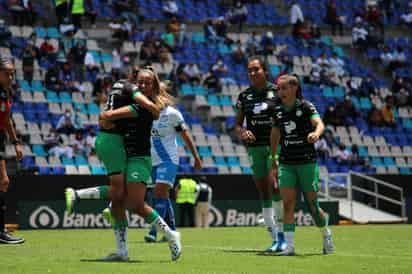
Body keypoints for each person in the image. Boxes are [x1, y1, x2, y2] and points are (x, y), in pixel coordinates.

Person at [66, 67, 181, 261]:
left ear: (154, 86)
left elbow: (107, 116)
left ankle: (171, 235)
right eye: (140, 82)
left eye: (147, 82)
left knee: (135, 204)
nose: (143, 85)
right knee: (119, 200)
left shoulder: (144, 106)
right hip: (127, 155)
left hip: (139, 158)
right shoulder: (136, 100)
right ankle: (122, 252)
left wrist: (106, 118)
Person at [270, 74, 334, 256]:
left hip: (306, 161)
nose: (280, 92)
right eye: (278, 88)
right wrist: (272, 156)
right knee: (288, 204)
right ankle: (290, 247)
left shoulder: (305, 106)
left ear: (294, 88)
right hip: (286, 163)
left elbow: (319, 123)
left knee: (313, 206)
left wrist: (316, 133)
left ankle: (326, 234)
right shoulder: (277, 110)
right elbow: (275, 134)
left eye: (283, 88)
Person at [235, 56, 285, 252]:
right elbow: (238, 125)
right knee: (263, 190)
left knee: (275, 185)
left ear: (265, 70)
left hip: (275, 146)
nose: (252, 73)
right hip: (255, 148)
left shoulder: (277, 92)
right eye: (249, 70)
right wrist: (243, 132)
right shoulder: (244, 96)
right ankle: (274, 237)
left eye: (256, 69)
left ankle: (282, 234)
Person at [144, 82, 202, 242]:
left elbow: (186, 136)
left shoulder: (173, 114)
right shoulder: (146, 113)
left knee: (159, 193)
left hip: (168, 160)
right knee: (161, 196)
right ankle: (172, 231)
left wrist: (196, 157)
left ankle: (154, 231)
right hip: (151, 160)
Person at [0, 58, 24, 244]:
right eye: (7, 73)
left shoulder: (5, 93)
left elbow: (7, 120)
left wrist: (16, 142)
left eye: (12, 73)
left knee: (3, 182)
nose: (10, 77)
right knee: (3, 181)